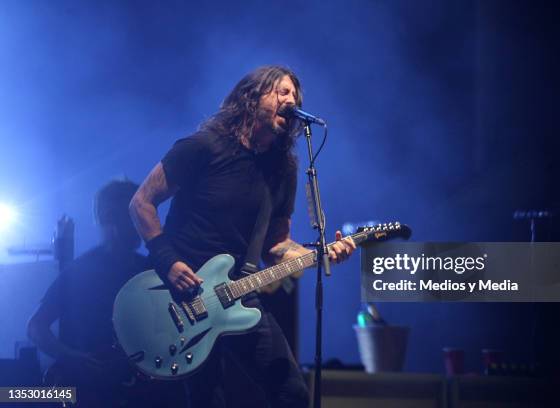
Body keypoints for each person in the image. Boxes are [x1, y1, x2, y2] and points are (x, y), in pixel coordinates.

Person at [129, 65, 356, 407]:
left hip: (238, 295)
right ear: (252, 97)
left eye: (294, 95)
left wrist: (323, 254)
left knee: (291, 393)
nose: (290, 100)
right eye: (281, 91)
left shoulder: (283, 170)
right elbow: (142, 202)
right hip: (182, 293)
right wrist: (167, 261)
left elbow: (276, 248)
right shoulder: (204, 147)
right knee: (207, 399)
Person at [27, 179, 181, 407]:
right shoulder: (79, 271)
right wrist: (74, 359)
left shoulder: (150, 270)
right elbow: (36, 327)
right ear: (109, 218)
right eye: (133, 215)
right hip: (92, 393)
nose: (141, 222)